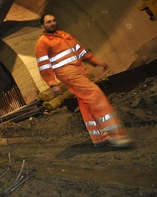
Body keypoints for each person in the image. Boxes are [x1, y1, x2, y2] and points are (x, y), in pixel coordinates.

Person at [34, 13, 132, 148]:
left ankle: (98, 138)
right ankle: (115, 135)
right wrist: (52, 83)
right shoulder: (42, 42)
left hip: (79, 70)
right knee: (95, 94)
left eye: (54, 20)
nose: (52, 23)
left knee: (85, 102)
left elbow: (82, 53)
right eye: (48, 22)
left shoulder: (65, 36)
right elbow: (44, 66)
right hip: (67, 73)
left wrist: (96, 62)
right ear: (42, 26)